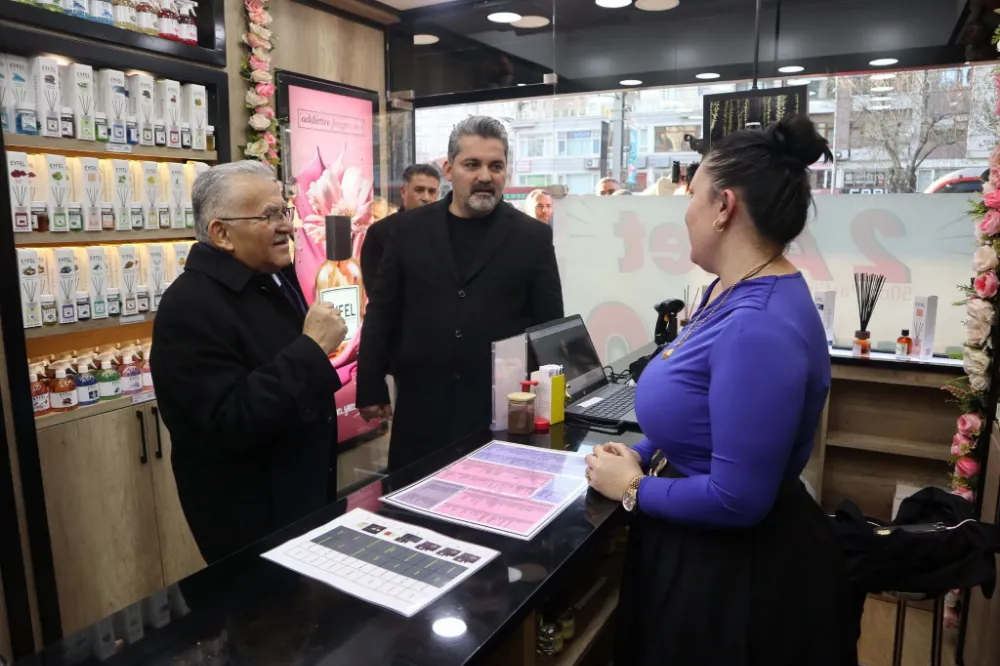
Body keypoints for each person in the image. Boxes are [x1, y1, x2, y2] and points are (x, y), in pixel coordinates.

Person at [584, 116, 856, 666]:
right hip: (697, 545)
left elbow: (738, 498)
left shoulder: (757, 326)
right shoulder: (729, 291)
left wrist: (633, 488)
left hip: (734, 578)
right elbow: (705, 417)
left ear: (724, 207)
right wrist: (643, 452)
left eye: (692, 195)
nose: (685, 211)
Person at [151, 161, 348, 564]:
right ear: (221, 233)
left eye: (284, 210)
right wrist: (311, 349)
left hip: (301, 501)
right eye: (269, 215)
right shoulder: (189, 306)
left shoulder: (268, 278)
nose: (286, 226)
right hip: (253, 521)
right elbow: (226, 422)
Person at [357, 116, 564, 471]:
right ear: (449, 169)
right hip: (421, 405)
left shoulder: (532, 237)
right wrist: (370, 382)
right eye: (472, 164)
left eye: (495, 166)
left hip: (500, 410)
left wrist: (548, 403)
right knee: (413, 494)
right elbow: (382, 310)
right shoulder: (407, 229)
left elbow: (548, 324)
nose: (485, 176)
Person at [360, 164, 440, 295]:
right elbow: (376, 291)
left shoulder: (447, 230)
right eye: (419, 190)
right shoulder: (380, 233)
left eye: (432, 191)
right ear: (403, 191)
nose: (426, 197)